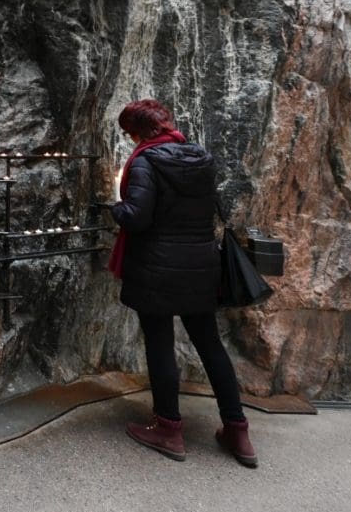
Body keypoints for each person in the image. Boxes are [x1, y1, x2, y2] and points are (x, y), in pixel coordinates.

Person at [107, 99, 257, 467]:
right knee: (210, 344)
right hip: (201, 267)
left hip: (157, 269)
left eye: (129, 133)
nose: (129, 140)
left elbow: (137, 217)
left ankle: (168, 429)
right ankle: (237, 430)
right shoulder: (200, 158)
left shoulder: (146, 161)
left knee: (160, 344)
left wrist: (115, 203)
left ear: (138, 132)